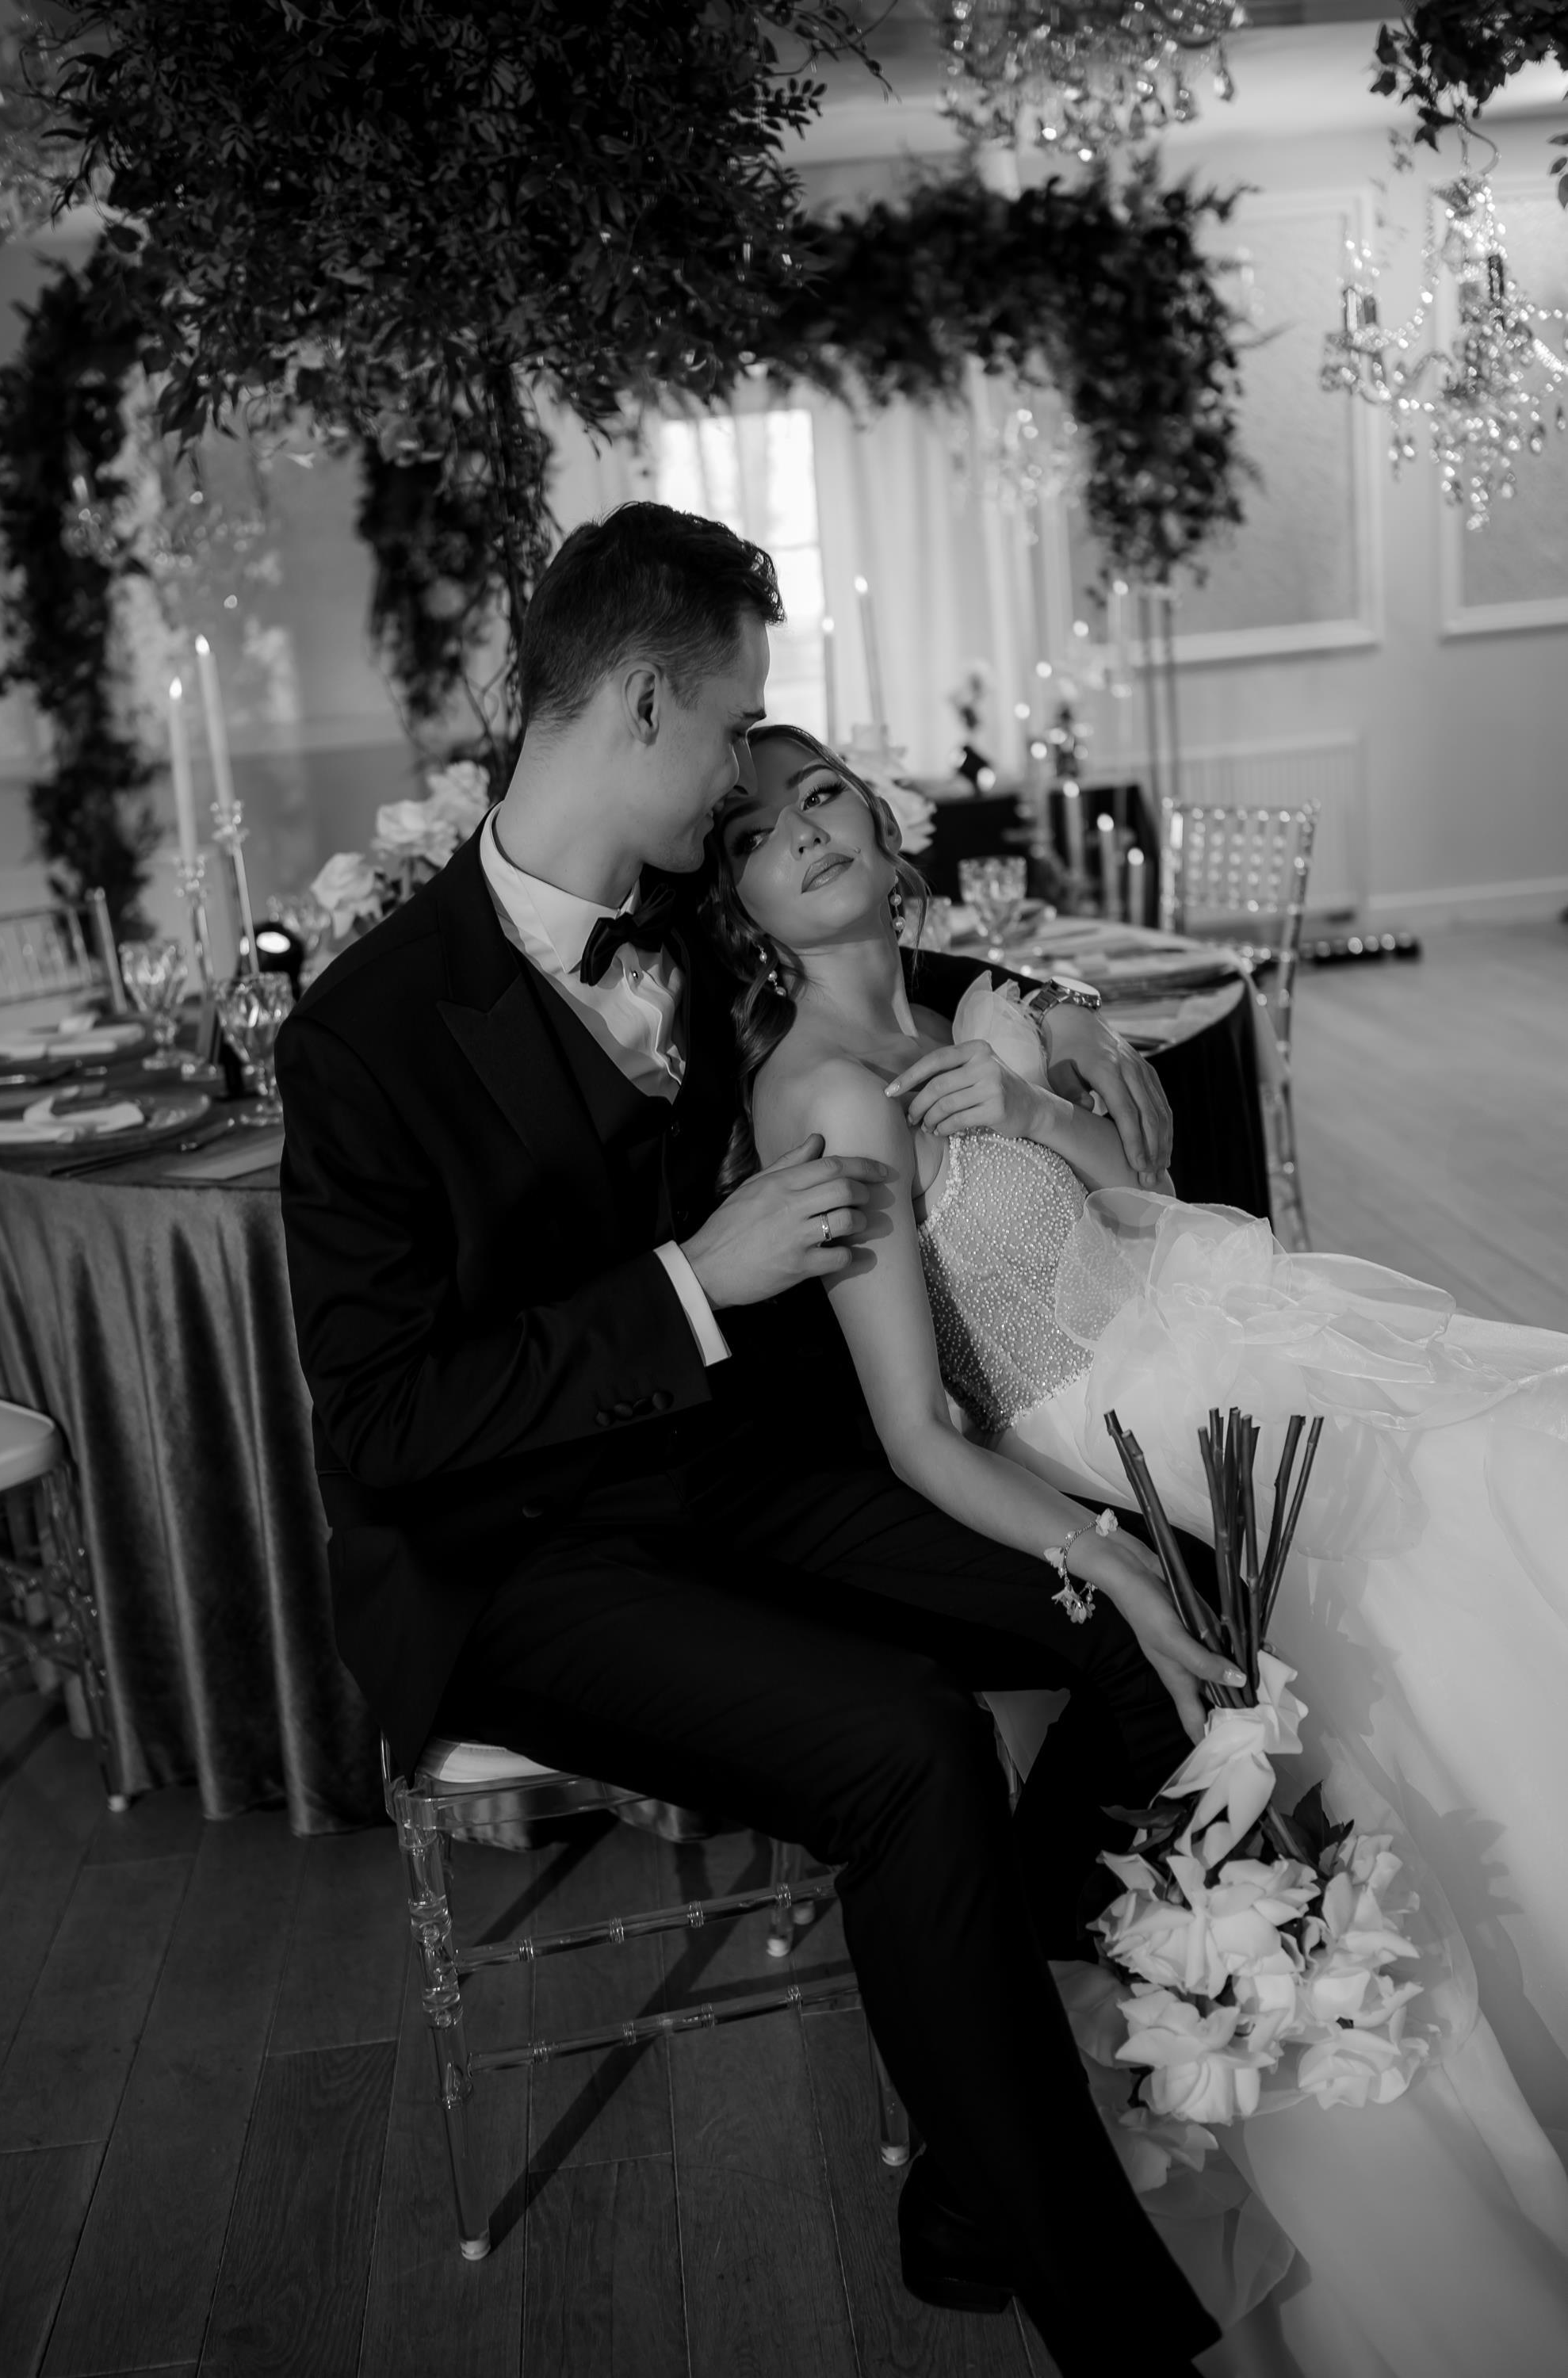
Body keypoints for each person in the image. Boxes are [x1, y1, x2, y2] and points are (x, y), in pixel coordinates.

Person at [277, 503, 1232, 2376]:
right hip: (521, 1557)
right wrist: (687, 1283)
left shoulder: (688, 935)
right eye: (731, 727)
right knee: (907, 1746)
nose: (744, 779)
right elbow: (383, 1425)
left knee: (1149, 1608)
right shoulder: (364, 1036)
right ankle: (1117, 2329)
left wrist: (1029, 1050)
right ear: (642, 701)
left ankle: (981, 2144)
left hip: (742, 1472)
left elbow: (868, 979)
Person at [706, 719, 1568, 2376]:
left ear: (883, 825)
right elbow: (915, 1429)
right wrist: (1108, 1560)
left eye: (820, 796)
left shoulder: (961, 1013)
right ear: (736, 899)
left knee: (1513, 1462)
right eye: (753, 831)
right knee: (1461, 1550)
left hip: (1217, 1340)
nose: (801, 832)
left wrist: (1032, 1097)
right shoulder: (823, 1092)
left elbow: (1135, 1204)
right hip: (1118, 1440)